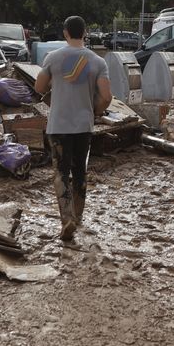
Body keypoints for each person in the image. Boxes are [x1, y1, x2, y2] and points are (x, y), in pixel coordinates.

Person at [34, 15, 112, 241]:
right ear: (85, 32)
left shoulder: (53, 57)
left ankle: (66, 218)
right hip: (83, 125)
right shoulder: (98, 61)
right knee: (80, 171)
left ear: (65, 33)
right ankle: (77, 218)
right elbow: (106, 96)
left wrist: (56, 82)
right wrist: (95, 110)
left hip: (58, 125)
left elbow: (39, 88)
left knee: (60, 172)